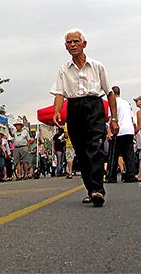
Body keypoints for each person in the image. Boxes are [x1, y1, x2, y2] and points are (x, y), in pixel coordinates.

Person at [50, 28, 119, 207]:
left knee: (95, 148)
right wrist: (57, 111)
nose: (73, 45)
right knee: (81, 152)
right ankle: (91, 189)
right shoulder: (64, 69)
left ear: (84, 44)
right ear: (65, 47)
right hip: (74, 108)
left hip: (95, 107)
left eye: (76, 41)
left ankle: (97, 190)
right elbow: (59, 93)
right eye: (69, 42)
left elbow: (110, 93)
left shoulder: (97, 66)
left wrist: (114, 118)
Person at [104, 86, 138, 183]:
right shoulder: (127, 103)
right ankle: (131, 175)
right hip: (129, 130)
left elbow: (111, 119)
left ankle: (111, 176)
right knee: (129, 154)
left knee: (113, 155)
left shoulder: (113, 103)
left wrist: (109, 132)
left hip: (118, 131)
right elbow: (132, 118)